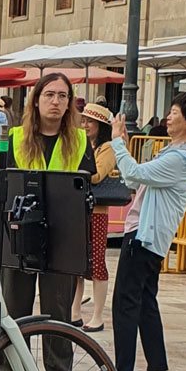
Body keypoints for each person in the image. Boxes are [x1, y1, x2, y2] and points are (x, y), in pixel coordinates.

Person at [97, 91, 186, 371]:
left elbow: (133, 173)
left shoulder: (178, 158)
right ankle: (158, 369)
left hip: (144, 236)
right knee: (146, 302)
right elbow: (136, 180)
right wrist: (123, 145)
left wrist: (118, 142)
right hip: (150, 237)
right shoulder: (172, 153)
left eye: (175, 111)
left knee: (125, 302)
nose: (168, 116)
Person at [1, 72, 95, 371]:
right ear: (36, 101)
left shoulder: (82, 141)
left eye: (63, 96)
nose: (56, 102)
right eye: (49, 95)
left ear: (70, 104)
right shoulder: (12, 138)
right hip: (20, 235)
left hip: (63, 238)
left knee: (58, 312)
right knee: (15, 308)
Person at [72, 102, 122, 333]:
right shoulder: (84, 144)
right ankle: (74, 312)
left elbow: (96, 175)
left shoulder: (107, 148)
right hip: (78, 209)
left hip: (97, 212)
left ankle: (98, 315)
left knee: (97, 264)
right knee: (76, 263)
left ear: (100, 125)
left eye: (89, 122)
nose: (85, 125)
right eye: (83, 121)